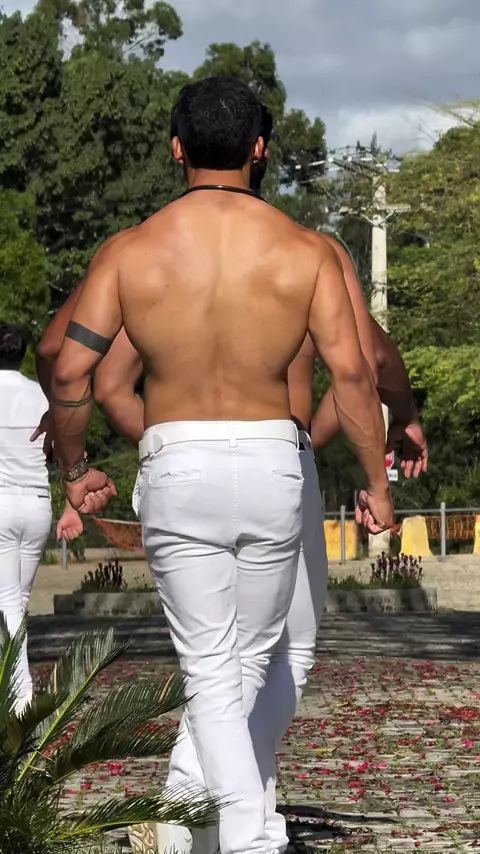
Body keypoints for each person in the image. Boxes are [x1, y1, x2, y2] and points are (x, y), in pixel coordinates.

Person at [46, 76, 392, 854]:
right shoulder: (306, 251)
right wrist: (376, 483)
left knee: (212, 670)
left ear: (177, 148)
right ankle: (238, 832)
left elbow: (69, 371)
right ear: (259, 148)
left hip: (178, 459)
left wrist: (76, 469)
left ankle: (233, 835)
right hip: (272, 458)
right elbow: (352, 374)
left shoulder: (130, 251)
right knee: (247, 665)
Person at [0, 323, 52, 713]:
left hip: (2, 504)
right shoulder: (42, 395)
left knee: (7, 604)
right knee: (16, 601)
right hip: (37, 504)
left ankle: (21, 696)